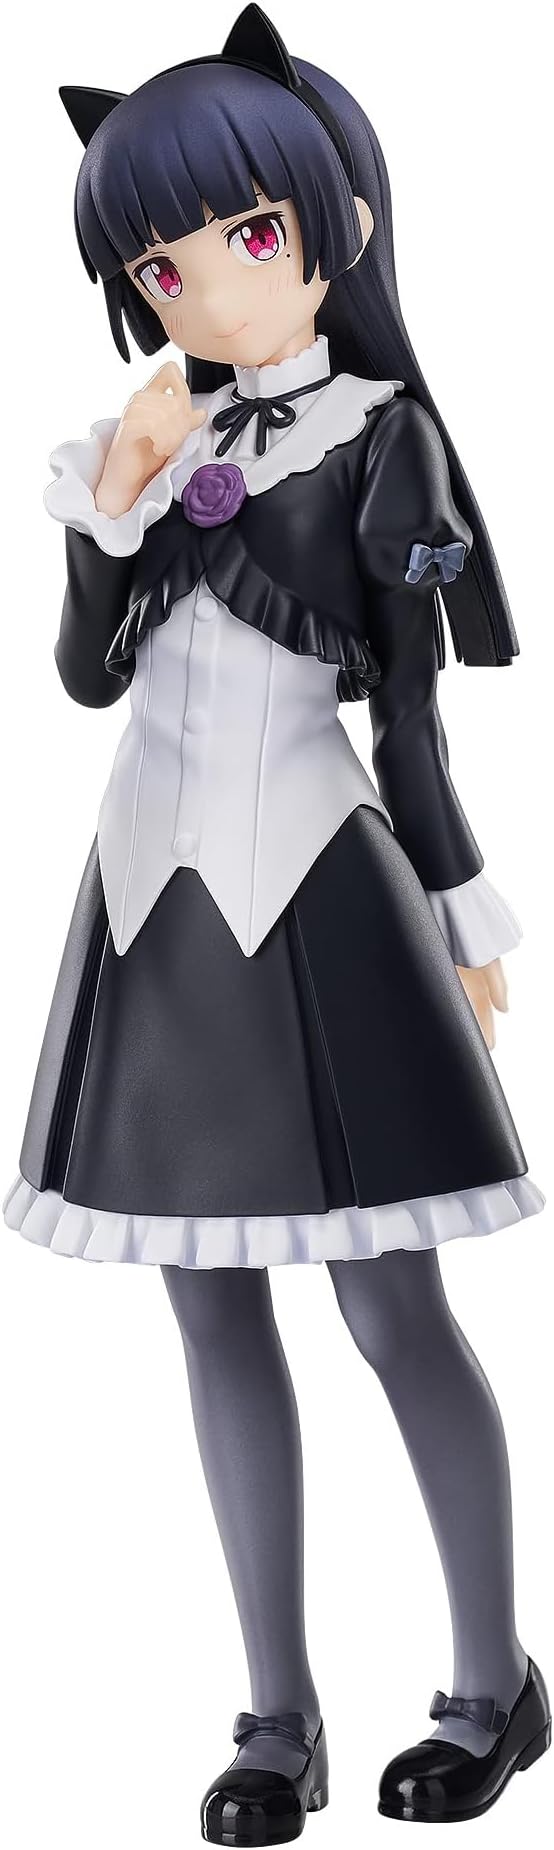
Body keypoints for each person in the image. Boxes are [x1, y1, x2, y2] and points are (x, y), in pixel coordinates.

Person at [4, 7, 549, 1841]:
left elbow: (410, 712)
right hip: (151, 895)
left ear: (336, 225)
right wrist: (110, 500)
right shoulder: (144, 437)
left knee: (390, 1303)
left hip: (320, 887)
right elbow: (89, 679)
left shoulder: (387, 439)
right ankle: (273, 1716)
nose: (203, 286)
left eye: (243, 233)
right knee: (208, 1310)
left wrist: (460, 902)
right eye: (160, 263)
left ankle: (485, 1683)